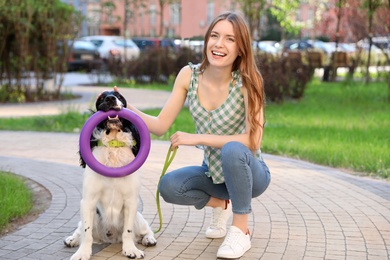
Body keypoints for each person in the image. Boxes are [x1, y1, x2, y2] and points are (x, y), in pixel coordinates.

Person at [116, 11, 271, 259]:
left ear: (241, 48)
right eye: (214, 36)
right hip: (215, 175)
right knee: (169, 186)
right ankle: (221, 205)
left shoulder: (247, 81)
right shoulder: (189, 76)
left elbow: (254, 140)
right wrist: (124, 107)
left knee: (232, 149)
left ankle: (240, 229)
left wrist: (197, 138)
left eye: (230, 39)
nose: (219, 44)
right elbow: (159, 125)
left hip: (252, 174)